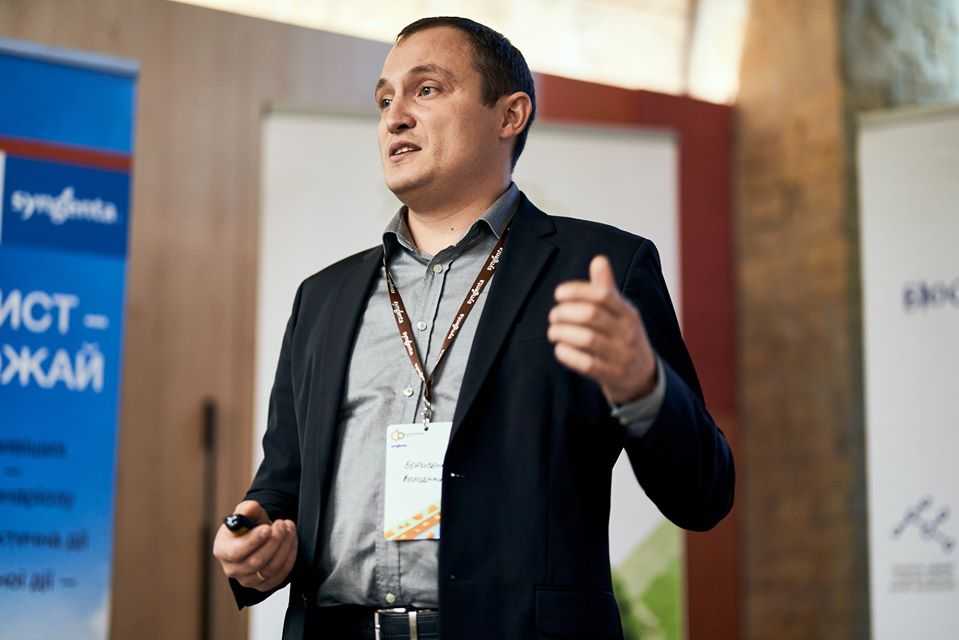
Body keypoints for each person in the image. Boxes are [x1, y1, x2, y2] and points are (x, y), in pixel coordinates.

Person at [213, 16, 734, 640]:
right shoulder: (323, 298)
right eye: (385, 99)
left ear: (509, 115)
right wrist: (255, 541)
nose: (395, 117)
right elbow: (282, 487)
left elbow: (703, 495)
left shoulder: (601, 268)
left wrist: (644, 387)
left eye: (426, 89)